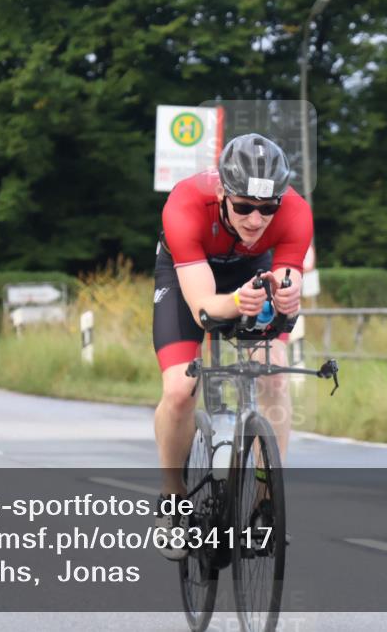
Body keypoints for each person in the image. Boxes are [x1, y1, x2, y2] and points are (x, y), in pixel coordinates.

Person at [151, 133, 312, 559]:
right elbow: (204, 308)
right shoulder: (185, 205)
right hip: (189, 273)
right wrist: (237, 302)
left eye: (266, 208)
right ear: (223, 192)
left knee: (275, 376)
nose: (256, 220)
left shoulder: (295, 211)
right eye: (243, 207)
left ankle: (263, 503)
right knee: (179, 391)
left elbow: (289, 278)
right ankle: (173, 500)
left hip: (251, 268)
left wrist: (287, 295)